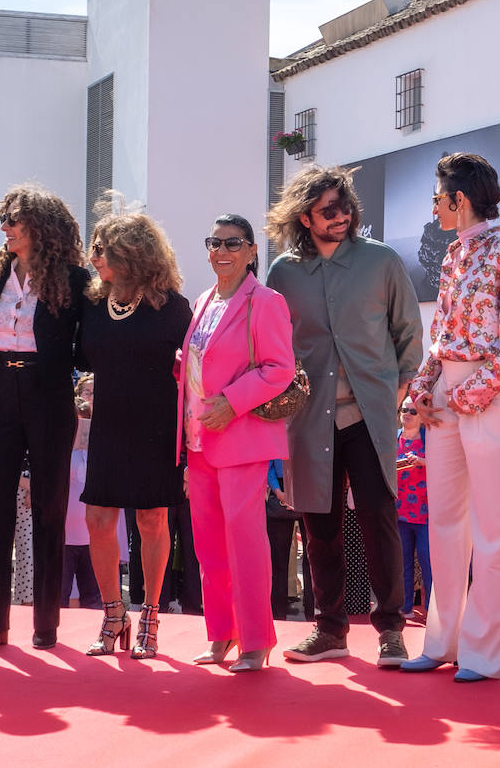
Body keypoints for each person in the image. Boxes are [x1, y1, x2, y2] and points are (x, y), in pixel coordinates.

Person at [265, 164, 423, 668]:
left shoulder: (381, 262)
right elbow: (274, 346)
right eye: (328, 210)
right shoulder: (283, 273)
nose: (342, 216)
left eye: (345, 206)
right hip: (310, 420)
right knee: (319, 525)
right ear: (305, 217)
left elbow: (408, 336)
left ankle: (390, 631)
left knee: (379, 522)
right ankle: (330, 629)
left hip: (370, 420)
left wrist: (392, 394)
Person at [402, 153, 500, 682]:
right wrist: (420, 393)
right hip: (451, 397)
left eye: (438, 197)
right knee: (445, 525)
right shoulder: (453, 256)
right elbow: (442, 340)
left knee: (497, 528)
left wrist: (463, 396)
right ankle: (442, 641)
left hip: (495, 394)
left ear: (459, 200)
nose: (434, 207)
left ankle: (482, 651)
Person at [0, 184, 88, 652]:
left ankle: (46, 624)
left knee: (49, 507)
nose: (5, 228)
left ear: (41, 226)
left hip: (50, 391)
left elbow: (88, 342)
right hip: (1, 389)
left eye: (14, 220)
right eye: (4, 220)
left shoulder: (75, 280)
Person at [177, 214, 295, 672]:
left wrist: (231, 401)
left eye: (233, 243)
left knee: (245, 542)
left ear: (251, 252)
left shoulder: (266, 301)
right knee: (208, 545)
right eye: (214, 242)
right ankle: (221, 634)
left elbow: (279, 367)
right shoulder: (204, 300)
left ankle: (255, 639)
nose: (221, 251)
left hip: (241, 436)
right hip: (199, 438)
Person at [79, 211, 191, 658]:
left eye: (103, 249)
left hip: (156, 424)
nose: (94, 258)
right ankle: (113, 614)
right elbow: (84, 360)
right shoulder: (91, 303)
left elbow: (197, 368)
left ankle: (149, 614)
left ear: (132, 253)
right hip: (108, 422)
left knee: (151, 520)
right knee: (98, 520)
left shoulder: (172, 306)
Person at [62, 405, 103, 610]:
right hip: (64, 538)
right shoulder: (59, 450)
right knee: (60, 596)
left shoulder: (99, 452)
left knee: (93, 598)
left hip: (91, 537)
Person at [395, 401, 430, 621]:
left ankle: (432, 610)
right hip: (399, 511)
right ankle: (404, 606)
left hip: (427, 512)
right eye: (404, 410)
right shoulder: (394, 437)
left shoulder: (430, 437)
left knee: (429, 563)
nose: (407, 414)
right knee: (402, 562)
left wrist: (423, 462)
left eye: (413, 411)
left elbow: (445, 464)